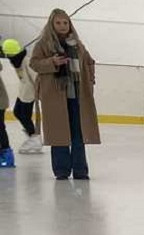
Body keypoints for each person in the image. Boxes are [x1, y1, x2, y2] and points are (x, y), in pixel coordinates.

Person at [30, 9, 100, 180]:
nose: (62, 26)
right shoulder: (44, 44)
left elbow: (89, 62)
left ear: (70, 25)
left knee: (79, 132)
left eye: (65, 23)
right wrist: (52, 62)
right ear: (52, 25)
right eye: (58, 23)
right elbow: (34, 63)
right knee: (59, 133)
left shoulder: (77, 45)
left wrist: (90, 81)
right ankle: (61, 171)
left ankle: (80, 170)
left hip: (77, 95)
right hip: (55, 95)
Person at [4, 39, 44, 154]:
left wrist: (40, 94)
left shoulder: (27, 62)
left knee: (24, 115)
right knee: (17, 112)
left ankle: (35, 138)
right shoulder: (18, 61)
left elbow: (36, 78)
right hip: (23, 92)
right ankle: (32, 134)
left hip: (30, 94)